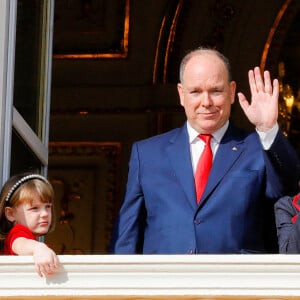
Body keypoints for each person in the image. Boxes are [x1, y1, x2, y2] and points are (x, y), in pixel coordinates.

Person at [109, 47, 300, 254]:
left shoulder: (257, 148)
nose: (206, 102)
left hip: (238, 282)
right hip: (165, 282)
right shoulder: (147, 154)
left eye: (216, 91)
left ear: (232, 91)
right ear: (182, 94)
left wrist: (267, 129)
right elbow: (126, 237)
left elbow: (288, 187)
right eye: (196, 92)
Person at [0, 173, 59, 277]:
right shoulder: (17, 232)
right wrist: (38, 248)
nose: (45, 214)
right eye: (34, 208)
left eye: (48, 206)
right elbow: (19, 243)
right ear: (10, 214)